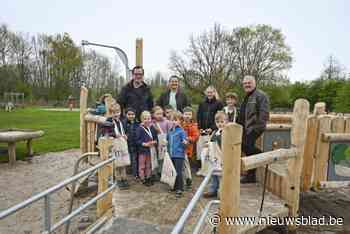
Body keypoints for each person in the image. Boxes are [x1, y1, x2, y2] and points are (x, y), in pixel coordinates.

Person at [237, 75, 270, 183]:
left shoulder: (261, 95)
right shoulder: (247, 96)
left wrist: (257, 128)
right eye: (245, 83)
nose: (247, 85)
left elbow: (264, 113)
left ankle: (251, 176)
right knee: (244, 146)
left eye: (249, 82)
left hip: (254, 127)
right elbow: (243, 113)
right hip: (244, 128)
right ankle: (259, 154)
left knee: (248, 146)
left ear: (254, 83)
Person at [196, 86, 224, 173]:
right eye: (208, 92)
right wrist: (200, 127)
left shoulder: (219, 103)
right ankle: (202, 167)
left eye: (211, 92)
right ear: (205, 93)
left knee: (211, 150)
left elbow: (219, 118)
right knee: (201, 150)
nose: (209, 94)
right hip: (202, 131)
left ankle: (211, 168)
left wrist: (212, 128)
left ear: (214, 92)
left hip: (212, 131)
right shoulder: (202, 103)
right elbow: (199, 115)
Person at [103, 103, 129, 190]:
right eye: (113, 112)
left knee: (123, 161)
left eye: (117, 112)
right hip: (114, 143)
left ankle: (124, 178)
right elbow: (106, 132)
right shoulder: (109, 121)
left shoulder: (121, 121)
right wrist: (114, 134)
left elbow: (124, 131)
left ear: (120, 112)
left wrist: (125, 135)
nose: (116, 114)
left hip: (122, 143)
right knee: (117, 162)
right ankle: (118, 179)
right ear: (110, 113)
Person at [203, 111, 227, 198]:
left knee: (221, 175)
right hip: (214, 157)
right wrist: (207, 144)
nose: (220, 124)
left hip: (222, 157)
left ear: (226, 121)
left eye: (222, 122)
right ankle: (212, 190)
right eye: (218, 122)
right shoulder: (214, 132)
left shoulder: (226, 132)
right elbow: (211, 142)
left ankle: (221, 192)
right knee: (213, 174)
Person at [167, 111, 188, 197]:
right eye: (172, 120)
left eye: (176, 120)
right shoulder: (170, 131)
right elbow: (167, 141)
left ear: (180, 121)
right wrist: (165, 142)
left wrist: (185, 142)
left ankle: (180, 188)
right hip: (171, 154)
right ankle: (174, 186)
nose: (174, 122)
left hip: (179, 155)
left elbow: (185, 142)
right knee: (173, 171)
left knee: (178, 171)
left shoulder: (181, 131)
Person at [136, 111, 158, 186]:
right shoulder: (139, 129)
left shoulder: (152, 128)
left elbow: (155, 138)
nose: (147, 120)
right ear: (141, 120)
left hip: (150, 150)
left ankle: (148, 177)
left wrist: (154, 142)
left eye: (149, 118)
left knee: (149, 164)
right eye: (145, 119)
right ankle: (142, 178)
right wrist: (144, 144)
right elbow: (137, 140)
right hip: (142, 151)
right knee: (142, 165)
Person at [152, 106, 172, 179]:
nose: (160, 115)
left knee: (164, 157)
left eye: (161, 113)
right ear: (153, 115)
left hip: (165, 142)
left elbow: (170, 131)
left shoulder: (166, 121)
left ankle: (163, 172)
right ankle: (157, 172)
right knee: (157, 157)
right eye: (157, 114)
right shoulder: (152, 123)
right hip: (156, 143)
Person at [182, 106, 200, 188]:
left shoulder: (194, 126)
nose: (187, 116)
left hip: (189, 148)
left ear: (192, 116)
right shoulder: (180, 124)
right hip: (180, 147)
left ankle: (188, 179)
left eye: (189, 114)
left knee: (186, 165)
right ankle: (184, 178)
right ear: (183, 115)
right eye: (186, 114)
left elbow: (196, 136)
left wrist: (189, 138)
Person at [122, 107, 139, 179]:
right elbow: (123, 132)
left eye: (133, 114)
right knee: (127, 158)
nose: (131, 116)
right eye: (129, 114)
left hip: (135, 144)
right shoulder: (123, 123)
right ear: (126, 114)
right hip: (126, 144)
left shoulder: (137, 123)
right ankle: (126, 172)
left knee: (134, 158)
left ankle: (135, 173)